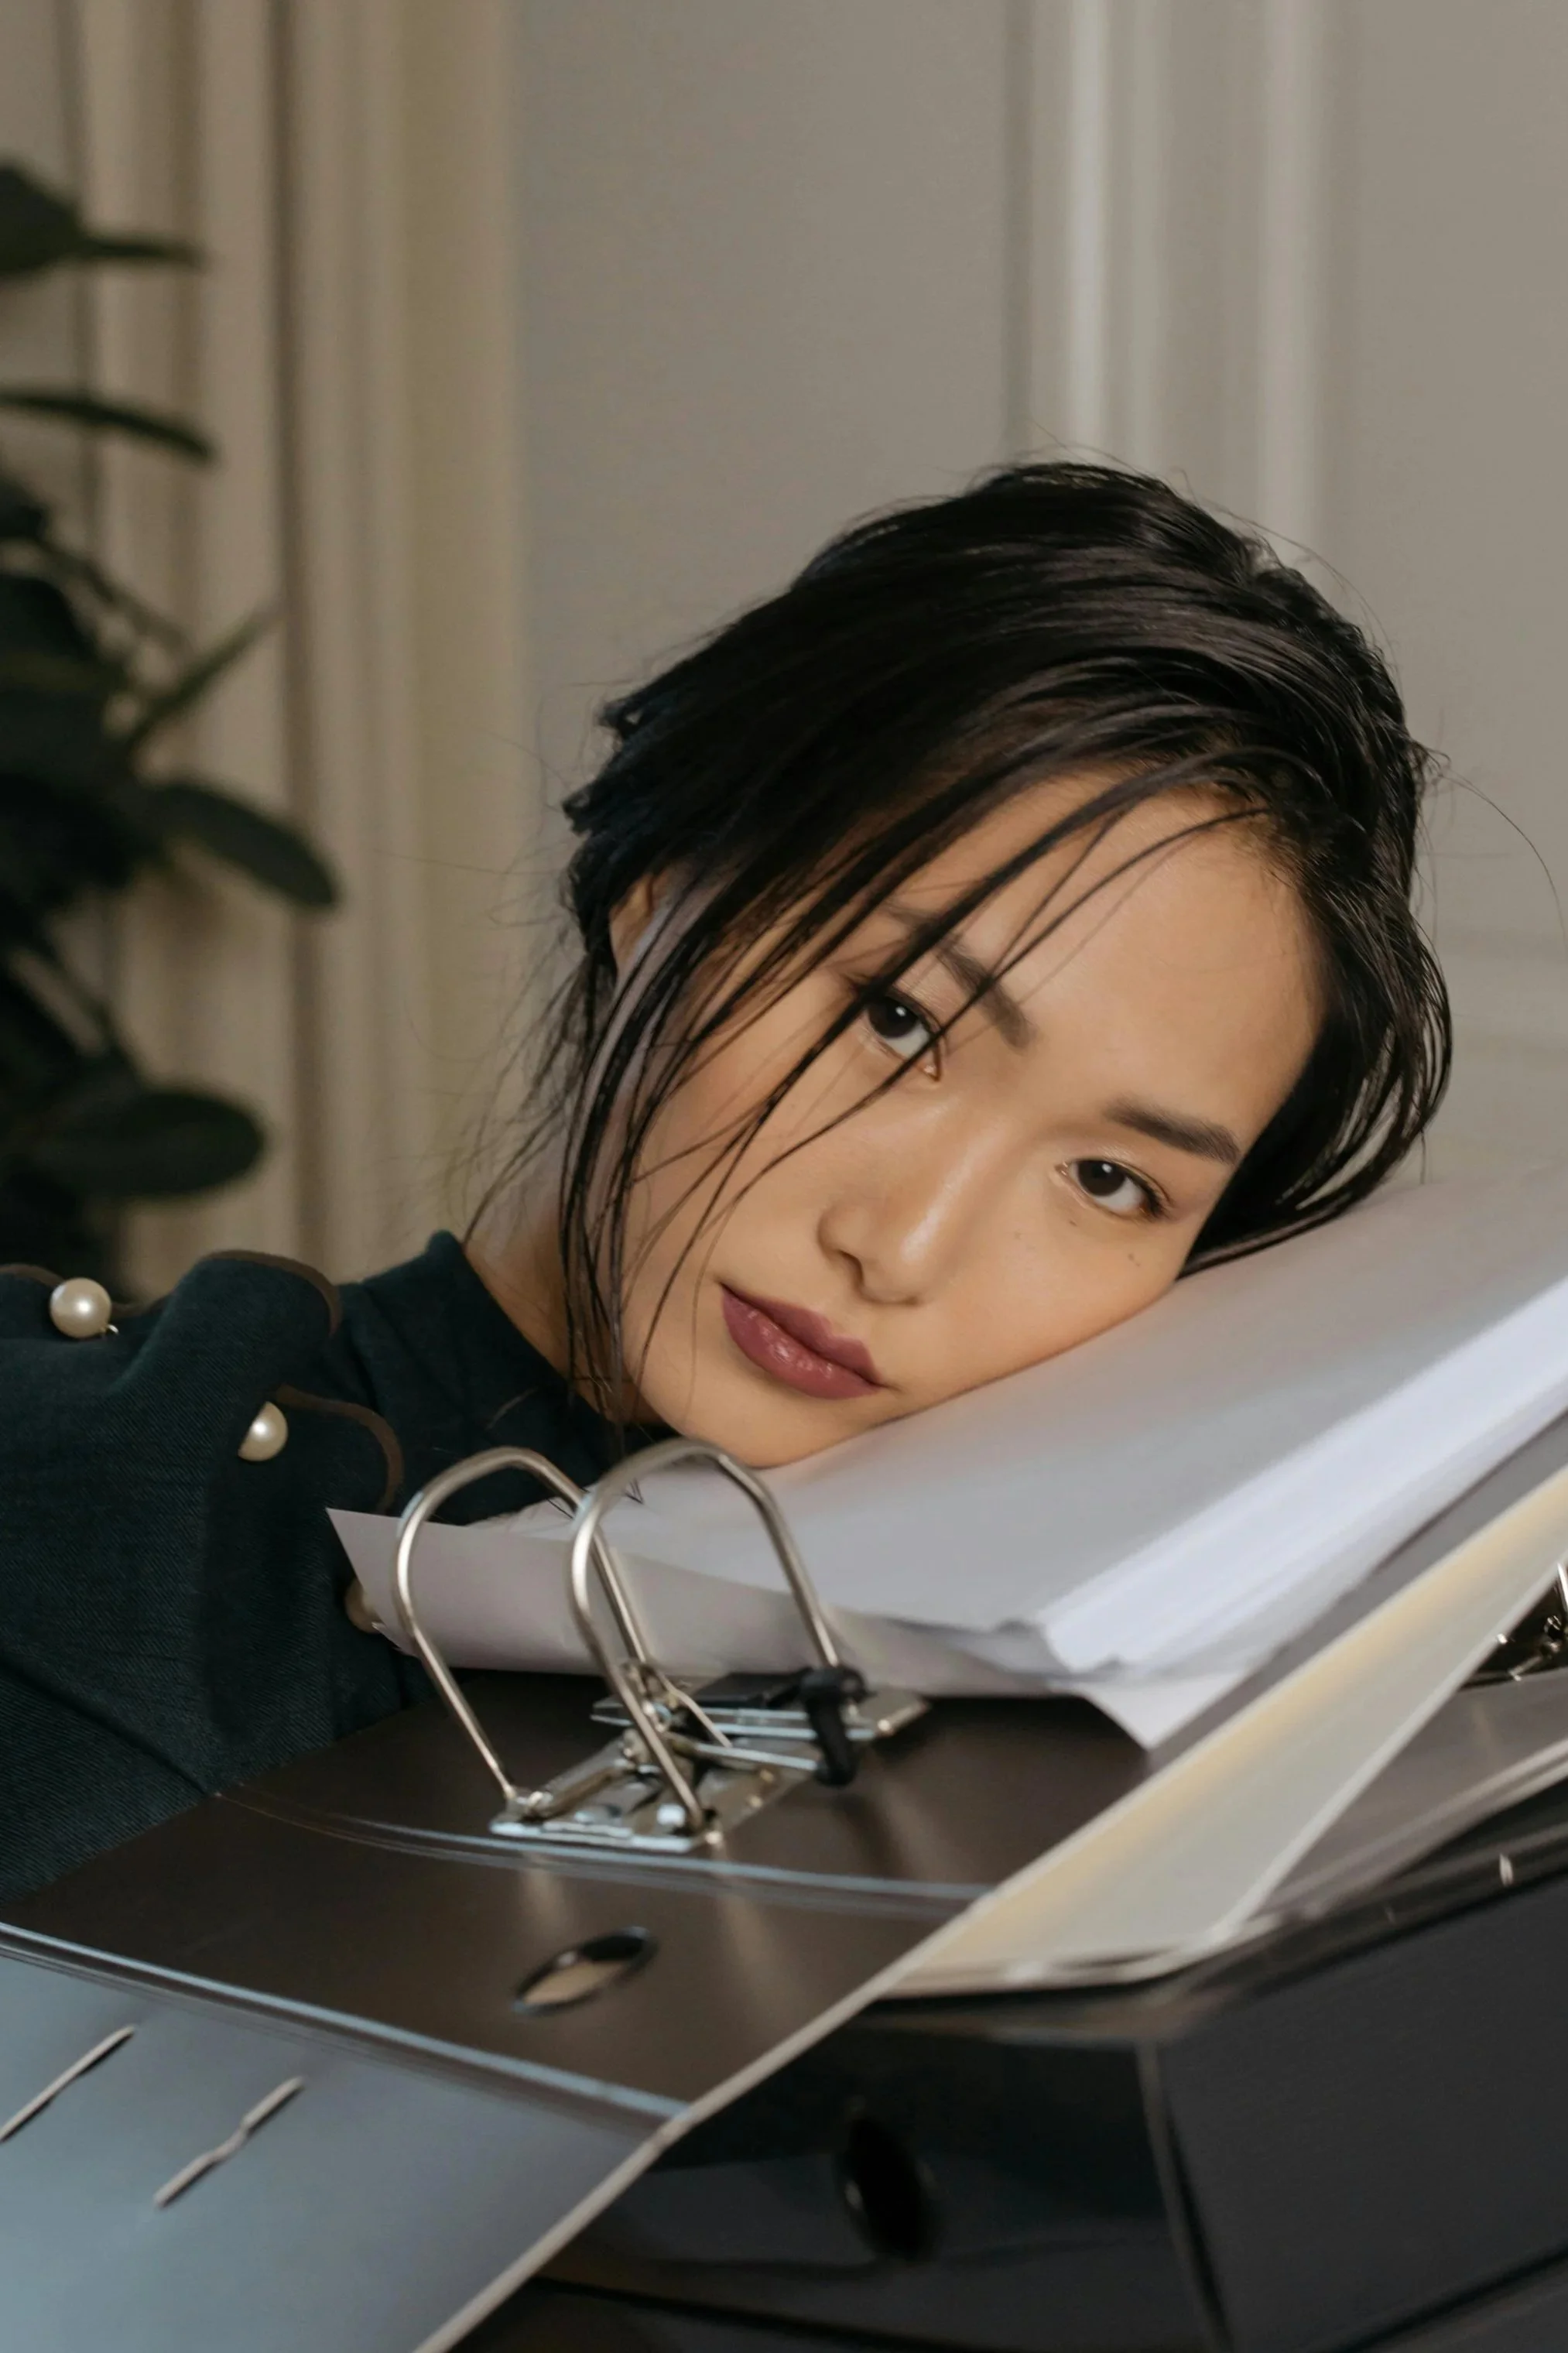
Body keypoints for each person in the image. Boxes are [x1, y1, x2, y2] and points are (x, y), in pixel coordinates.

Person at [0, 462, 1450, 1903]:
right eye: (896, 1017)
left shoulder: (1134, 1676)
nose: (904, 1245)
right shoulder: (114, 1540)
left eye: (1107, 1178)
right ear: (662, 879)